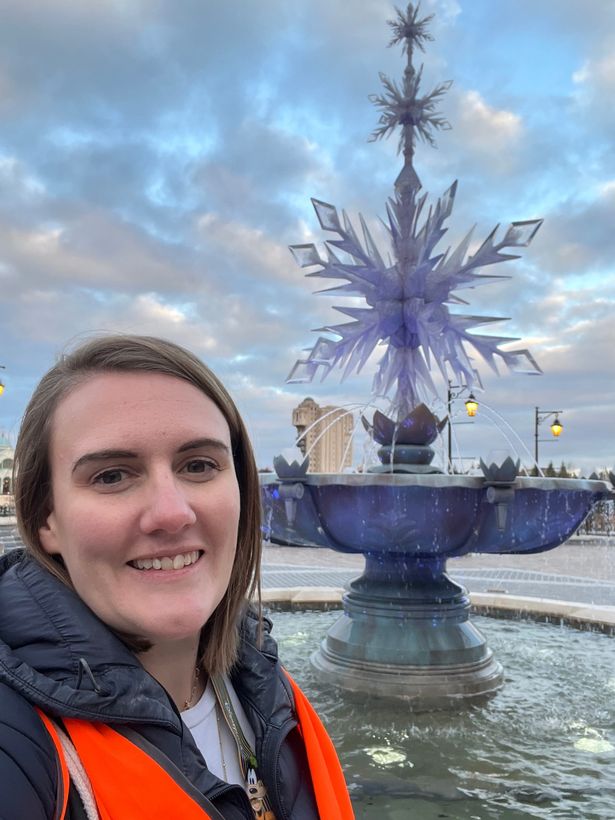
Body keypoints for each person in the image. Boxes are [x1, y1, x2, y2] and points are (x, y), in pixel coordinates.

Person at [0, 335, 353, 820]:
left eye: (199, 465)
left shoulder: (266, 686)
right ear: (47, 520)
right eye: (111, 475)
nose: (171, 512)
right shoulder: (17, 745)